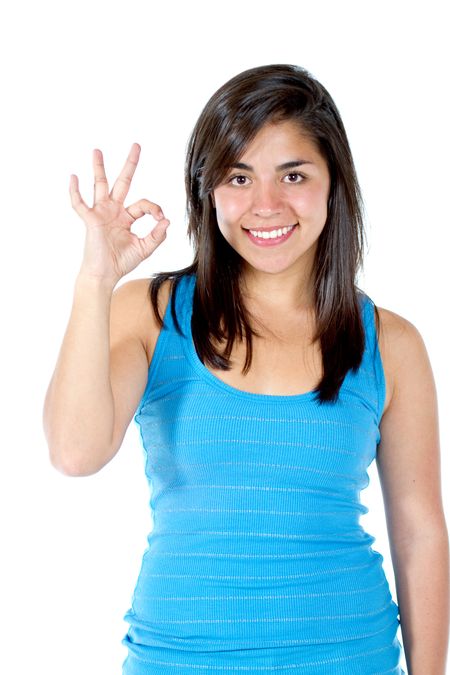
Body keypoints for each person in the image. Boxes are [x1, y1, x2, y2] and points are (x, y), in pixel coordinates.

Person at [43, 64, 449, 674]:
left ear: (334, 184)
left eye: (293, 174)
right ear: (208, 189)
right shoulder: (150, 314)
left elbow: (419, 531)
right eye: (239, 176)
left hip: (349, 658)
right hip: (180, 662)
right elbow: (75, 453)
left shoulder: (391, 342)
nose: (266, 205)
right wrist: (96, 280)